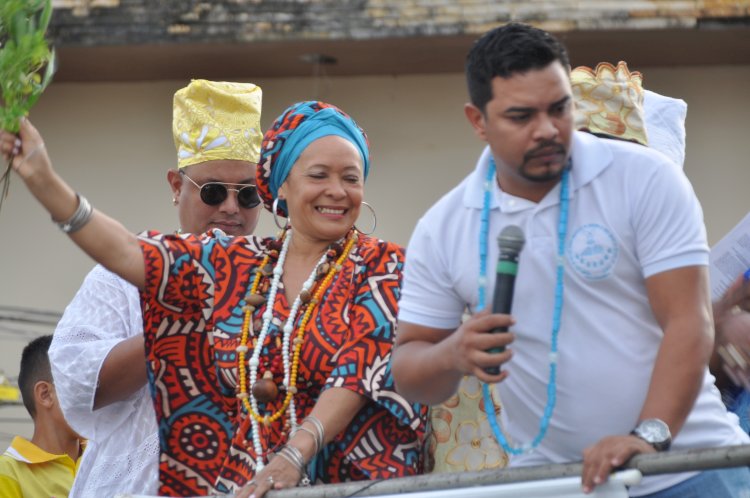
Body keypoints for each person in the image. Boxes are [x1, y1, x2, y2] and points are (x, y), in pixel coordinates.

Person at [391, 22, 750, 497]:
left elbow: (687, 321)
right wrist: (453, 353)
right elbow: (412, 368)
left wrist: (647, 436)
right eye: (521, 116)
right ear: (478, 121)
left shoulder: (645, 179)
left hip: (691, 468)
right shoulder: (444, 226)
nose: (546, 130)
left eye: (558, 109)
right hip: (560, 483)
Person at [0, 100, 426, 498]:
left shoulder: (382, 265)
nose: (337, 190)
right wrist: (43, 180)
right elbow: (131, 254)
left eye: (351, 178)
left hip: (346, 485)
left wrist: (294, 454)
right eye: (319, 175)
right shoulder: (245, 267)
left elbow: (355, 374)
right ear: (283, 186)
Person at [47, 79, 264, 497]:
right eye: (214, 191)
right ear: (176, 186)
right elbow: (76, 383)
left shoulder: (279, 277)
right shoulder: (123, 276)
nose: (231, 208)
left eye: (249, 194)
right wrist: (184, 316)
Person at [0, 335, 84, 497]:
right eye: (80, 385)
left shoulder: (107, 457)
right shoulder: (9, 473)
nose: (93, 396)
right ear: (45, 394)